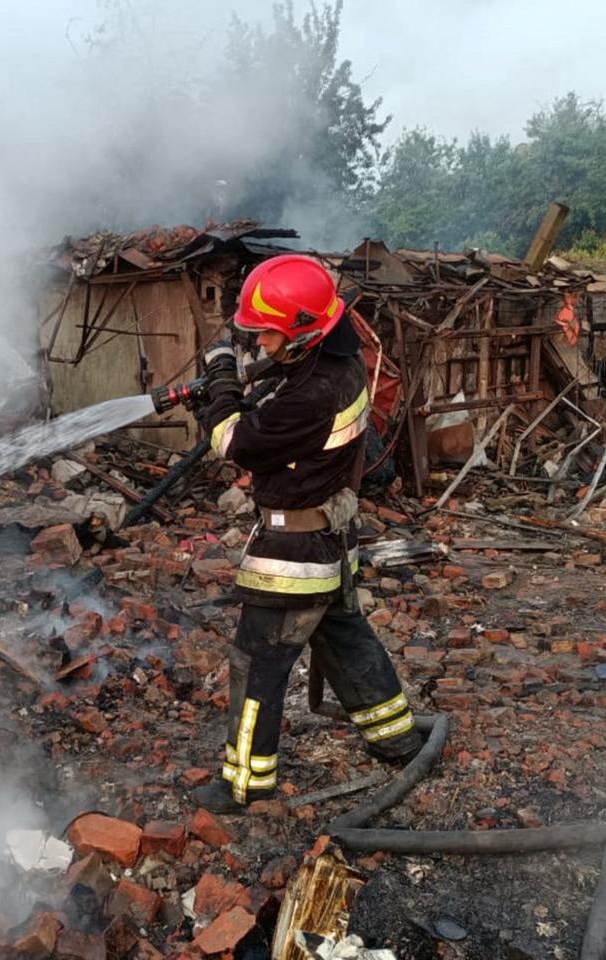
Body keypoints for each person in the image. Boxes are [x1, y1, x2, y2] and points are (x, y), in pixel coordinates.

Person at [192, 254, 422, 814]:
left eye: (267, 335)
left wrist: (221, 383)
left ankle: (245, 782)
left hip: (292, 556)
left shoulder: (309, 396)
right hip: (331, 542)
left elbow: (233, 443)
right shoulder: (338, 363)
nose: (261, 344)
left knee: (258, 663)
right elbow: (282, 387)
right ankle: (398, 738)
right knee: (344, 635)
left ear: (302, 331)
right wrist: (250, 372)